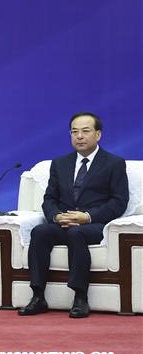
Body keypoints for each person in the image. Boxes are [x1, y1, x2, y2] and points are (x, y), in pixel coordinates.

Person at [19, 112, 129, 318]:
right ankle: (38, 296)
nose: (79, 136)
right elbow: (49, 199)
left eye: (85, 131)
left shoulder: (114, 163)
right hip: (64, 222)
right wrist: (56, 217)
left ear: (98, 134)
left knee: (76, 234)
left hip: (95, 225)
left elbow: (118, 202)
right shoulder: (60, 164)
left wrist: (86, 216)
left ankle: (80, 297)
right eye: (74, 132)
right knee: (40, 232)